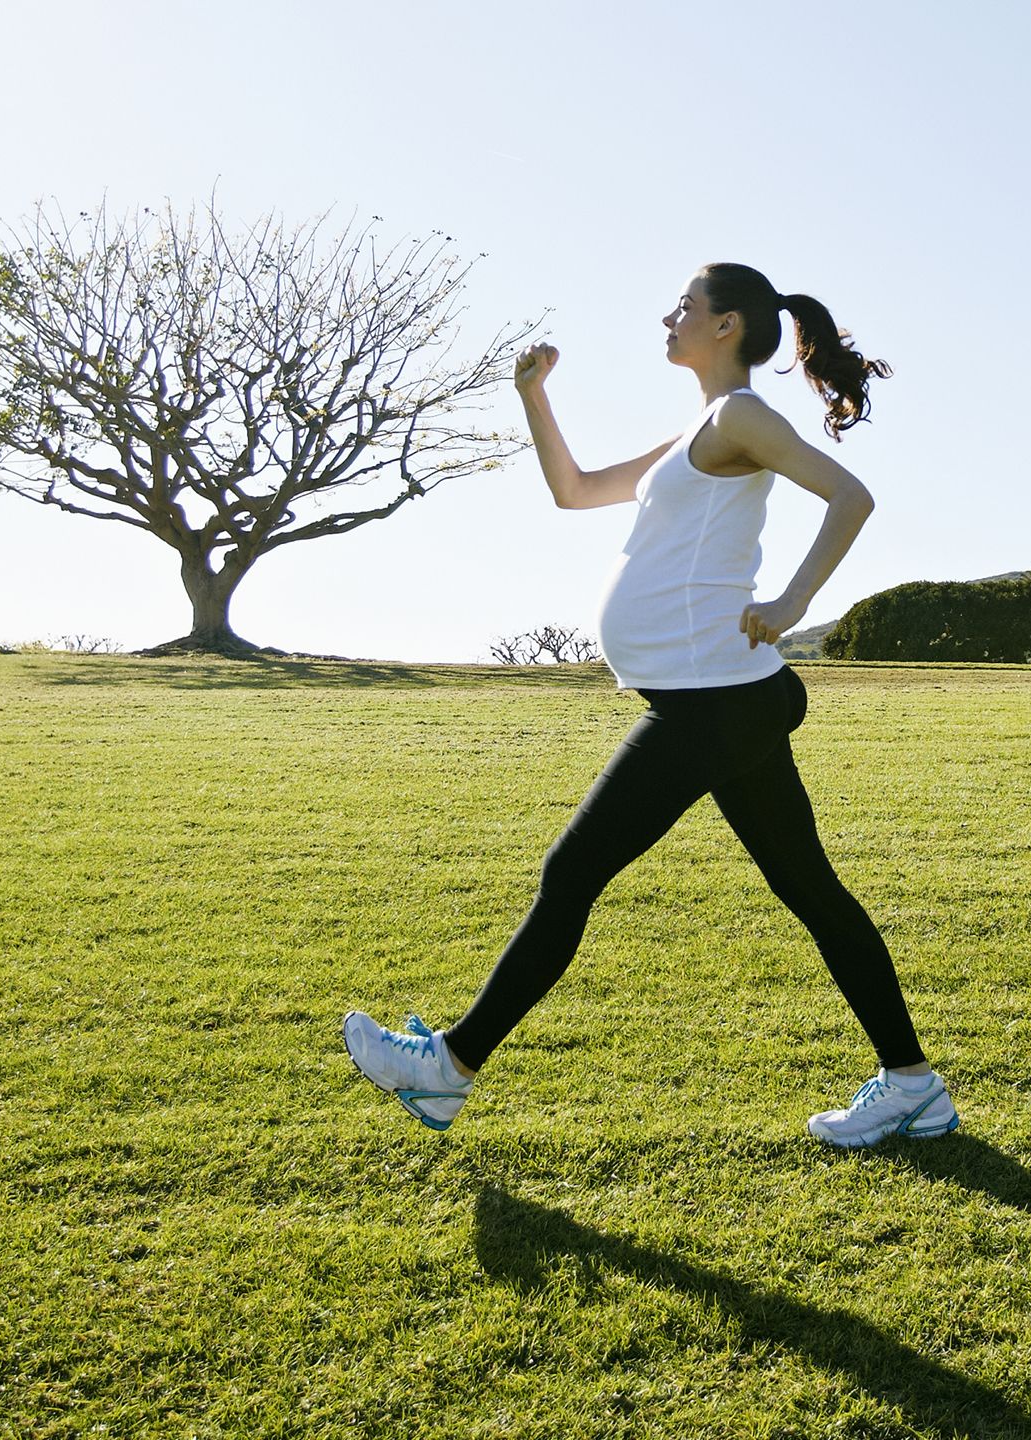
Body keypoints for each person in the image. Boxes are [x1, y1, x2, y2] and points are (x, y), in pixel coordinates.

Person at [341, 262, 956, 1149]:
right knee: (810, 890)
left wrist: (789, 607)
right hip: (720, 701)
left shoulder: (742, 416)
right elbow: (577, 490)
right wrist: (533, 398)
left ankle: (448, 1068)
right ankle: (914, 1087)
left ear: (727, 326)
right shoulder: (697, 430)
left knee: (572, 871)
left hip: (710, 701)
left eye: (686, 306)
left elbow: (850, 498)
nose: (669, 316)